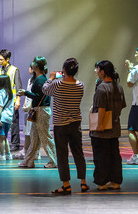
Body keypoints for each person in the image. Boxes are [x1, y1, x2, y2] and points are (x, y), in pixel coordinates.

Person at [42, 57, 88, 195]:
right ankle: (83, 182)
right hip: (75, 123)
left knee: (62, 155)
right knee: (78, 153)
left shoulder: (57, 84)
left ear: (63, 70)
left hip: (61, 124)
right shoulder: (80, 85)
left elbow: (45, 89)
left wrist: (50, 78)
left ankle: (66, 185)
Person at [91, 60, 127, 190]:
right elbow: (122, 106)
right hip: (115, 127)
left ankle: (101, 182)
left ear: (103, 72)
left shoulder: (102, 88)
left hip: (102, 130)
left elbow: (101, 108)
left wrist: (100, 124)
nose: (96, 72)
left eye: (97, 70)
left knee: (101, 156)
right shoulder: (119, 87)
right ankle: (115, 181)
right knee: (114, 156)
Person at [16, 57, 57, 169]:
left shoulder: (40, 80)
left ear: (37, 66)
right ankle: (28, 161)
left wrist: (25, 93)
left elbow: (38, 97)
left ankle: (53, 161)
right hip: (39, 110)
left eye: (33, 62)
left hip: (41, 111)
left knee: (45, 137)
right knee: (34, 138)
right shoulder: (41, 78)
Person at [0, 49, 22, 150]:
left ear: (7, 59)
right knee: (2, 122)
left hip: (12, 100)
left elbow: (18, 86)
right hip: (2, 101)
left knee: (14, 122)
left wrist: (18, 99)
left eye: (1, 59)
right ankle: (4, 143)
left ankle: (15, 144)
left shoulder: (14, 70)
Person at [14, 65, 35, 160]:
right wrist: (25, 103)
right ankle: (26, 150)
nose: (29, 69)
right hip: (27, 108)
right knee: (27, 130)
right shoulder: (30, 80)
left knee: (32, 131)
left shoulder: (38, 81)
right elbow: (27, 93)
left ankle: (32, 152)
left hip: (33, 108)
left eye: (30, 67)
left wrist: (29, 106)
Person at [0, 75, 15, 161]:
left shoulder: (0, 93)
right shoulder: (10, 93)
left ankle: (2, 155)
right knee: (5, 137)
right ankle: (8, 154)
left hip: (2, 117)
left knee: (0, 138)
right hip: (9, 117)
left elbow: (0, 106)